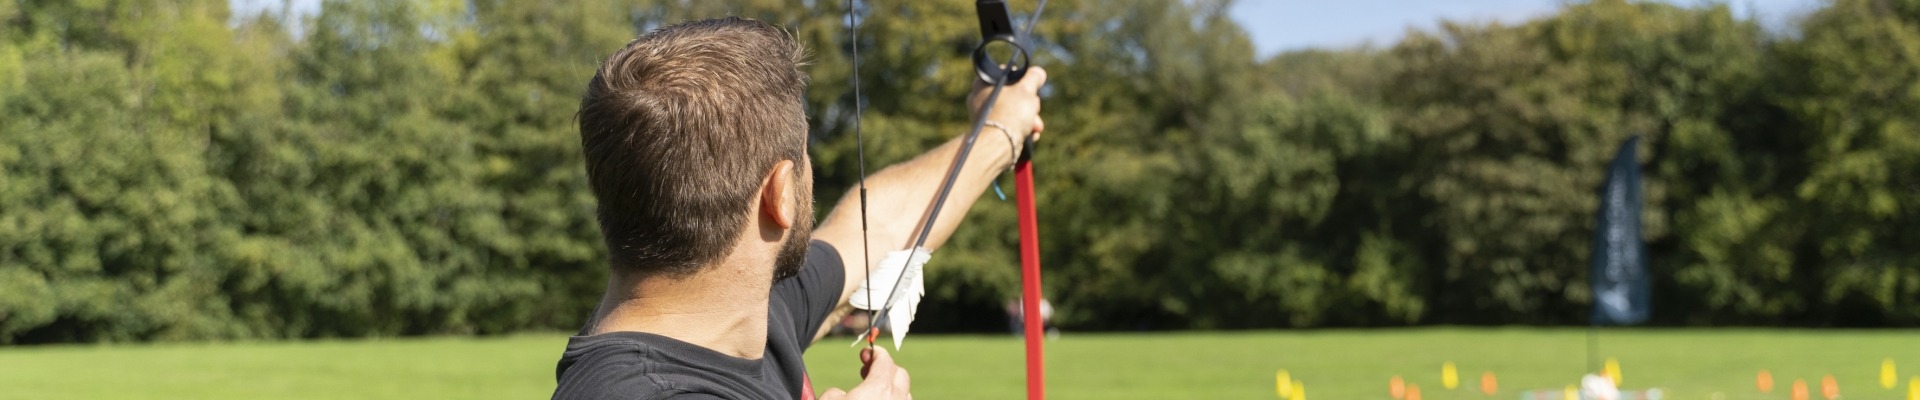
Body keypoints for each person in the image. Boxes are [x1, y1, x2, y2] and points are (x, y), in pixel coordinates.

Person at [550, 17, 1047, 400]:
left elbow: (883, 228)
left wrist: (999, 130)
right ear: (780, 192)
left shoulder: (754, 311)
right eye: (803, 157)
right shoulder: (630, 391)